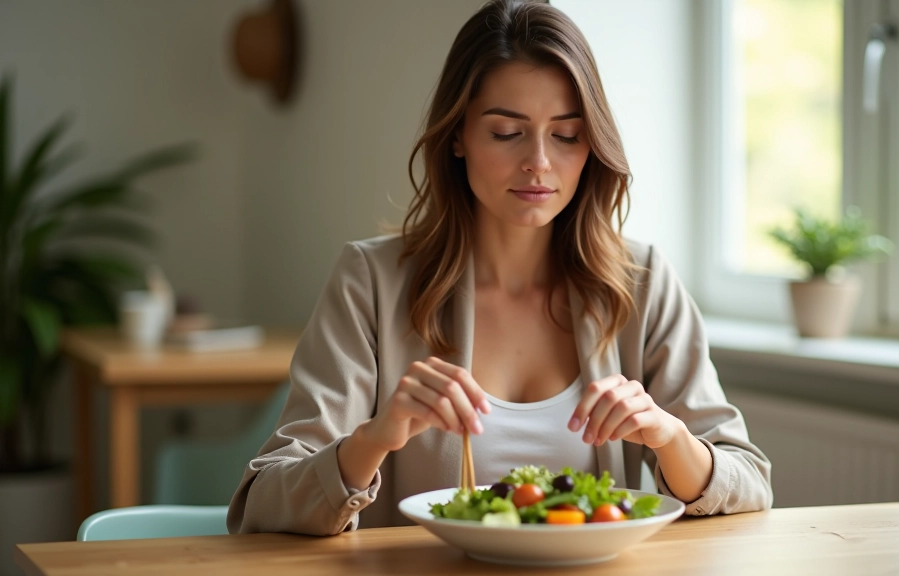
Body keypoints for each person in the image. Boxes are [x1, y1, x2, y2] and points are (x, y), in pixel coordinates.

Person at [228, 0, 772, 535]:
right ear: (457, 136)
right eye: (507, 132)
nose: (538, 161)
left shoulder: (642, 281)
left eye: (566, 135)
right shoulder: (370, 281)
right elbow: (261, 503)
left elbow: (749, 482)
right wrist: (374, 438)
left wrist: (670, 437)